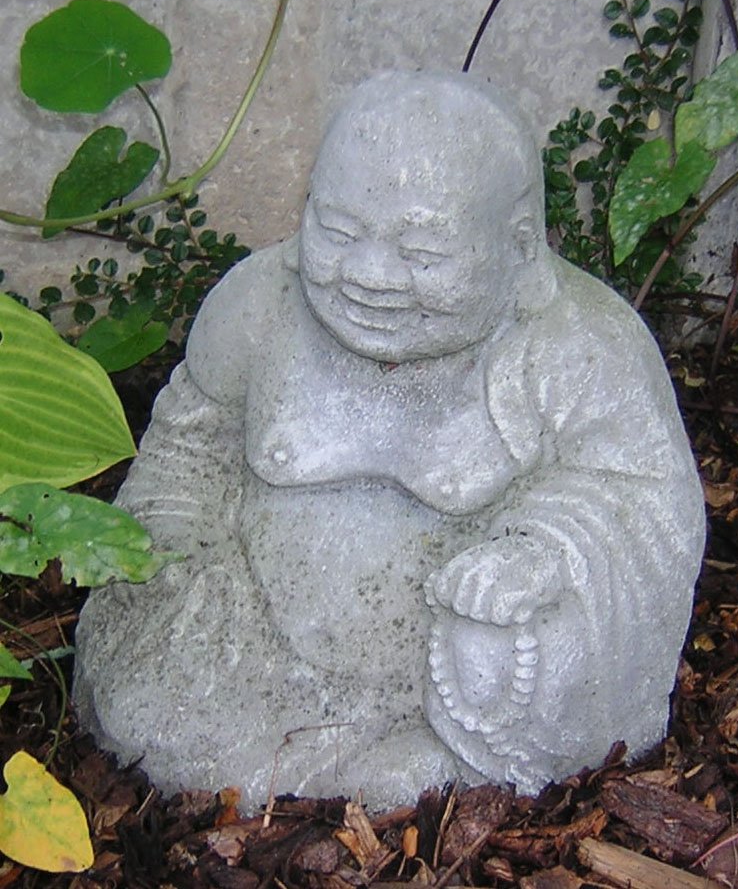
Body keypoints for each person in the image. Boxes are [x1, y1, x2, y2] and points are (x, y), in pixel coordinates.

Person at [75, 71, 705, 810]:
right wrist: (176, 556)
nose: (369, 275)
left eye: (424, 254)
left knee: (494, 726)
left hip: (451, 681)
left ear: (519, 247)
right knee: (150, 706)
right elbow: (188, 449)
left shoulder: (580, 350)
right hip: (244, 644)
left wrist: (542, 553)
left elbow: (641, 506)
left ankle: (428, 777)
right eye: (337, 233)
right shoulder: (256, 307)